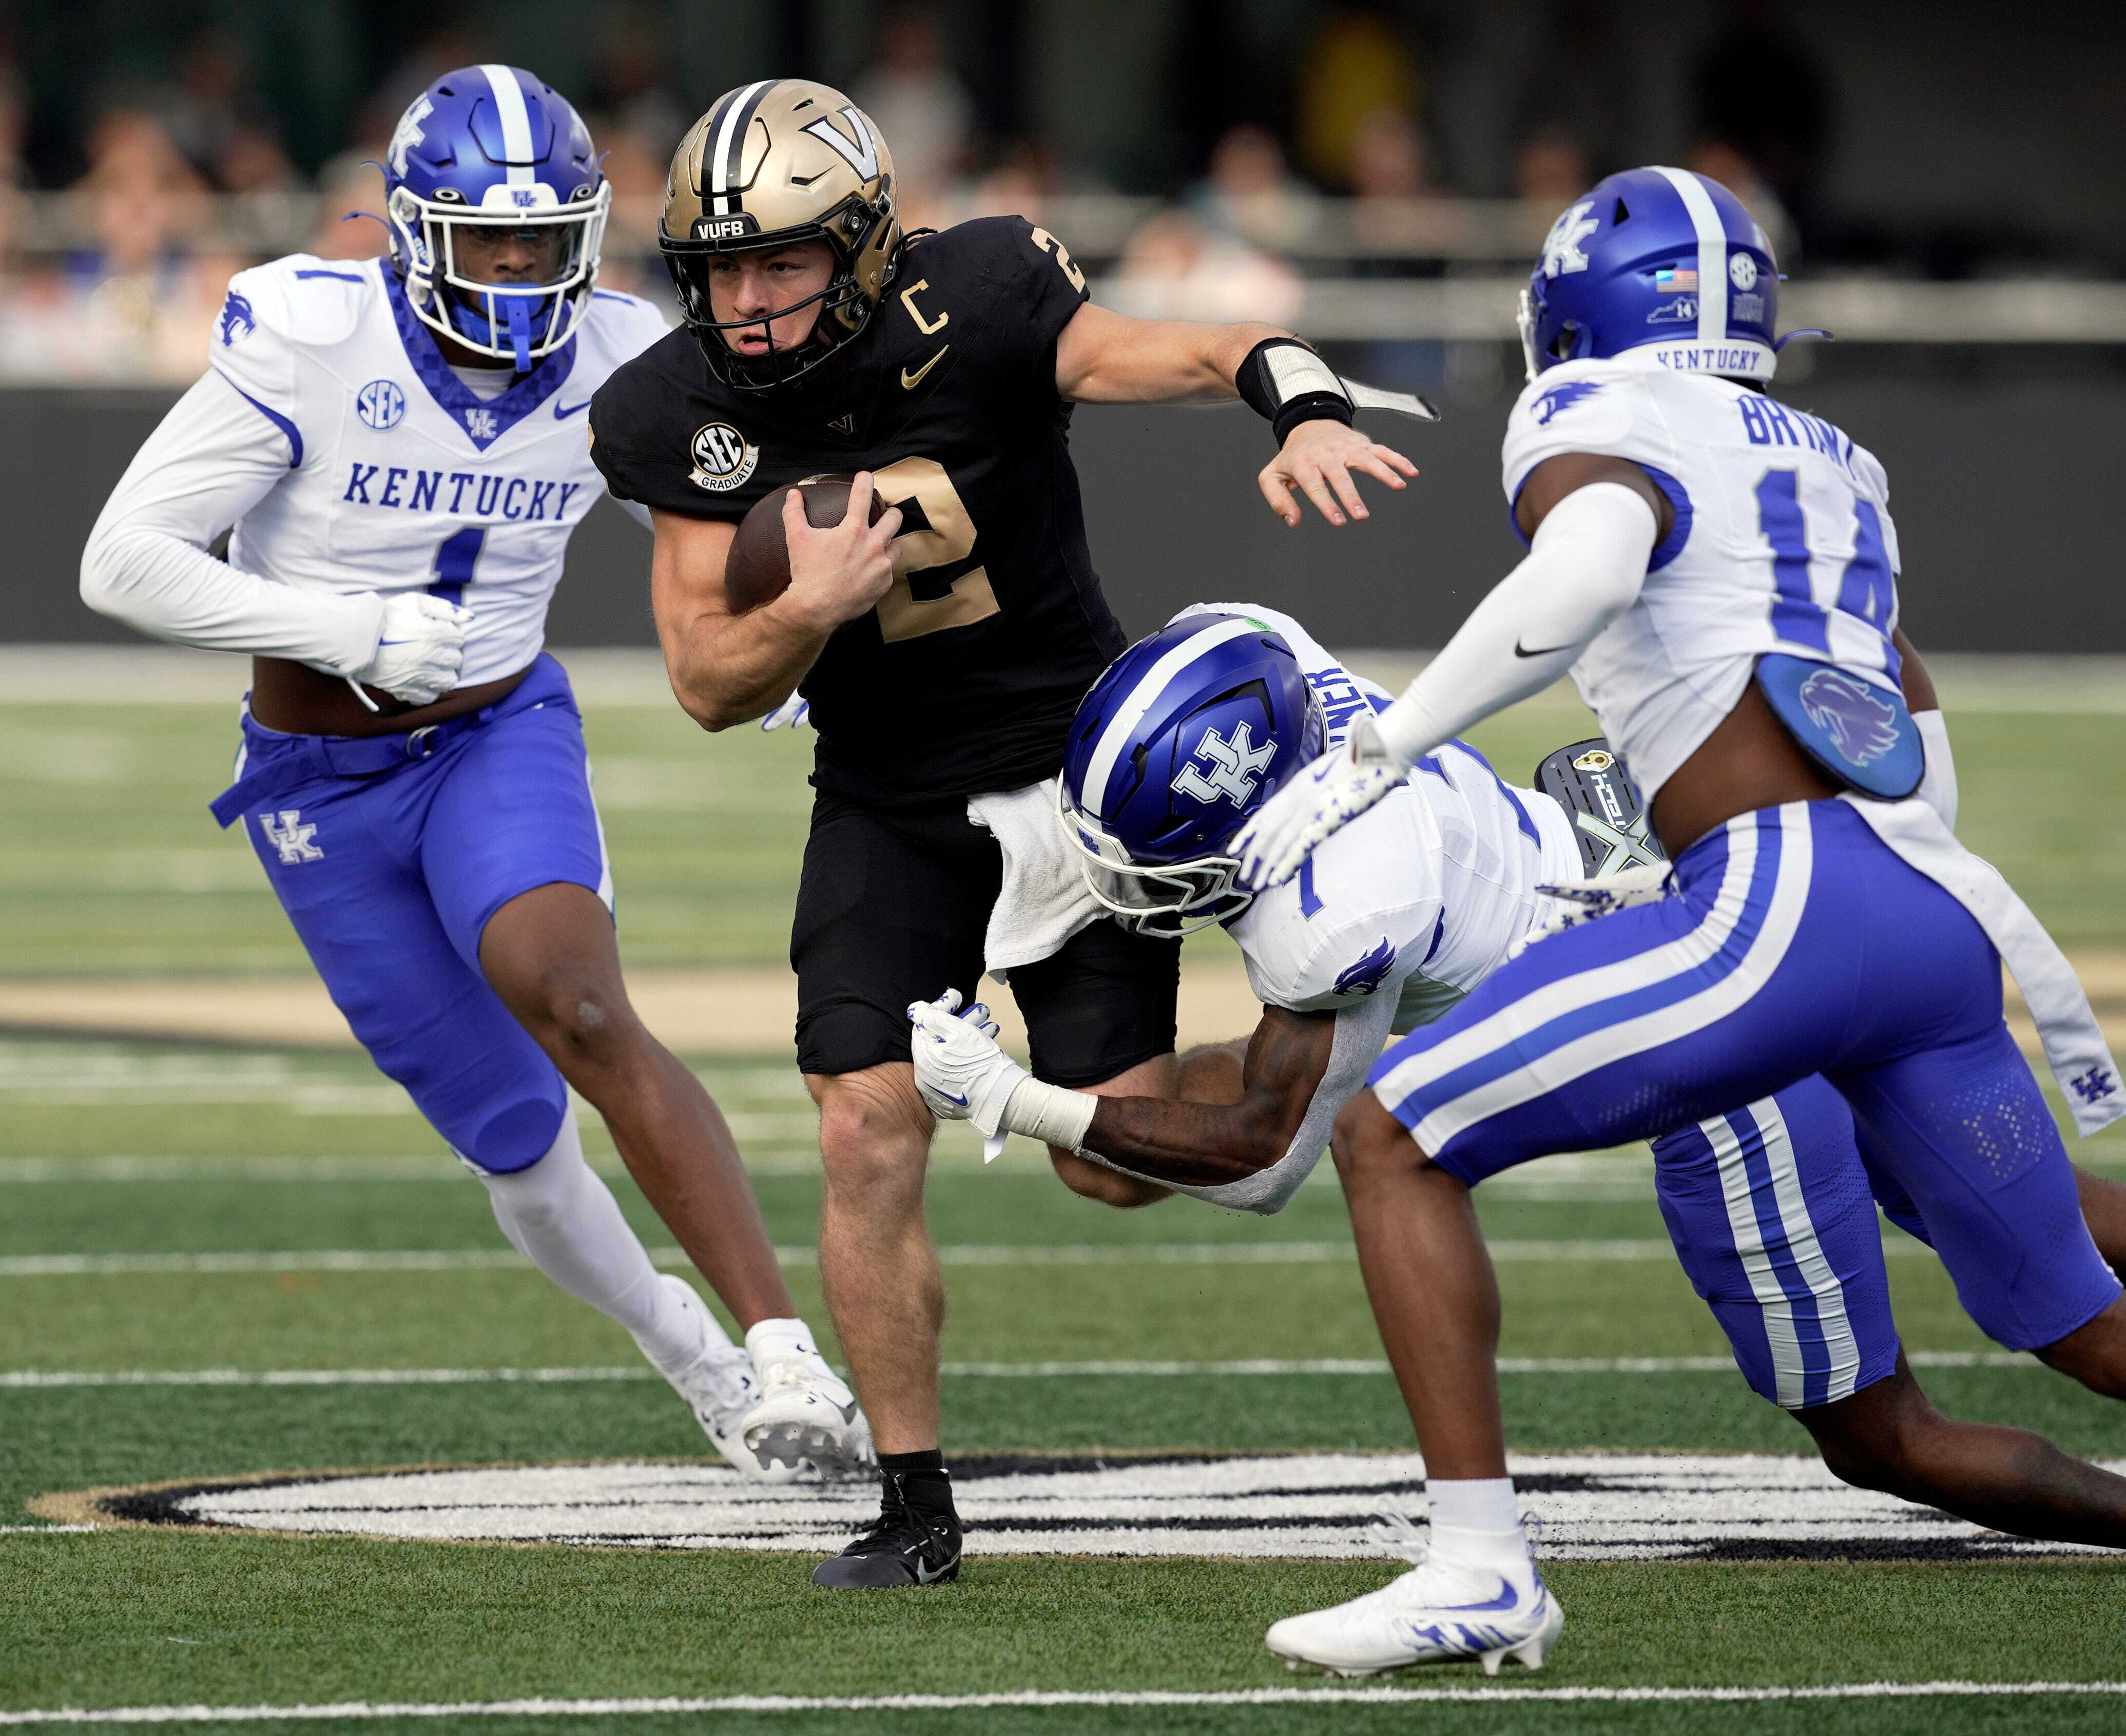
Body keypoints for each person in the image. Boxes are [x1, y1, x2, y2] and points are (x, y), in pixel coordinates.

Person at [1219, 167, 2126, 1670]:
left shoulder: (1601, 414)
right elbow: (1908, 704)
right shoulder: (1831, 455)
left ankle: (1481, 1567)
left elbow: (1581, 574)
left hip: (1789, 899)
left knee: (1398, 1135)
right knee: (2078, 1322)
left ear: (1579, 312)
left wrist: (1391, 742)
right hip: (1928, 906)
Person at [586, 77, 1429, 1588]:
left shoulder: (978, 292)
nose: (751, 301)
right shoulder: (675, 409)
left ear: (861, 243)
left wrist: (1296, 396)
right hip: (886, 793)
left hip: (1076, 780)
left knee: (1108, 1163)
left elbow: (1187, 344)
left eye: (781, 261)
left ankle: (1343, 1053)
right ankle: (915, 1506)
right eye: (721, 268)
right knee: (862, 1123)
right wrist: (808, 608)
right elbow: (709, 678)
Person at [79, 66, 866, 1484]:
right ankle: (683, 1349)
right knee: (511, 1137)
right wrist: (348, 629)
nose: (518, 273)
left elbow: (702, 536)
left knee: (576, 1000)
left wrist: (782, 652)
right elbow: (121, 559)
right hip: (319, 783)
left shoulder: (624, 353)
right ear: (408, 230)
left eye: (543, 239)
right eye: (487, 242)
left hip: (498, 734)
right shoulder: (314, 336)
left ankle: (780, 1347)